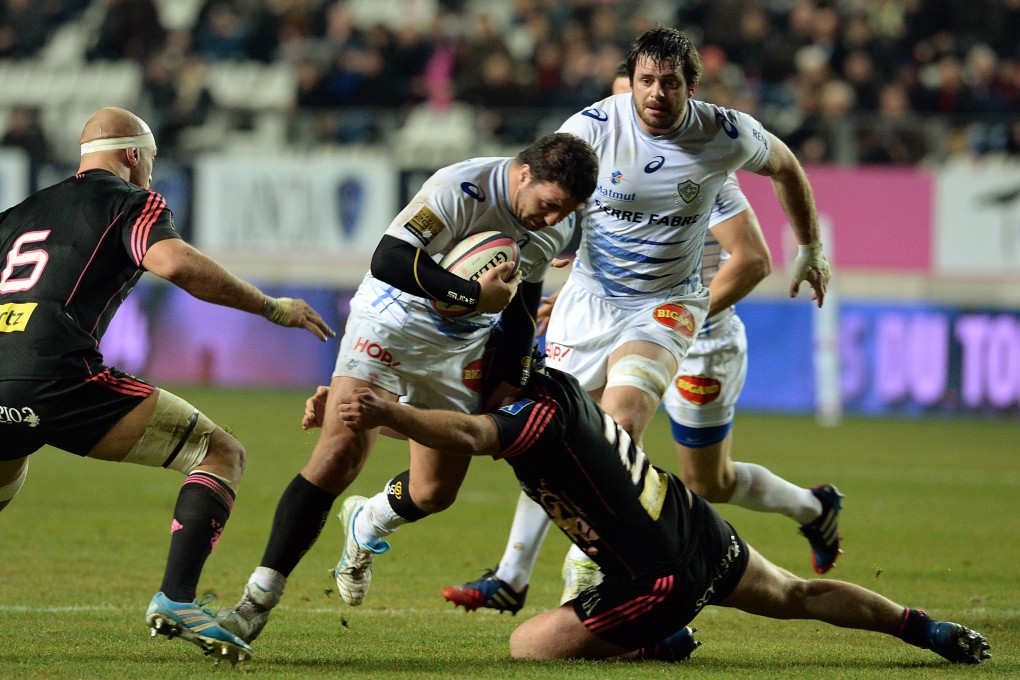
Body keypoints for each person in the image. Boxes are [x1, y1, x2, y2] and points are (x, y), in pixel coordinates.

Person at [444, 59, 841, 614]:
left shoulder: (706, 167)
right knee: (571, 431)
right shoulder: (602, 149)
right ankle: (525, 576)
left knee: (709, 479)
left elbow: (752, 260)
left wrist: (678, 320)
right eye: (626, 99)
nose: (627, 117)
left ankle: (813, 508)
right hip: (620, 320)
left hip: (699, 332)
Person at [331, 357, 990, 665]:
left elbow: (467, 435)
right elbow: (453, 425)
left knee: (525, 647)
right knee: (798, 592)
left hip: (657, 577)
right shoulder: (557, 386)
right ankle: (924, 630)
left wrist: (386, 411)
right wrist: (367, 417)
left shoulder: (526, 421)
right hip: (695, 525)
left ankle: (656, 638)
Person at [217, 132, 599, 643]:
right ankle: (255, 602)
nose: (555, 220)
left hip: (464, 345)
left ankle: (366, 522)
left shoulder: (556, 224)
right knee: (340, 453)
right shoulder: (461, 187)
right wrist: (471, 292)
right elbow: (390, 259)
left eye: (567, 212)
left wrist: (510, 380)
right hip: (391, 318)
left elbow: (524, 303)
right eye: (551, 206)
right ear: (524, 173)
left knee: (435, 491)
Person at [0, 107, 335, 665]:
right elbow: (175, 264)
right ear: (133, 155)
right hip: (53, 374)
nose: (151, 172)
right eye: (149, 160)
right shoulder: (129, 200)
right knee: (218, 452)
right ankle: (177, 599)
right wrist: (271, 307)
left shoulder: (15, 215)